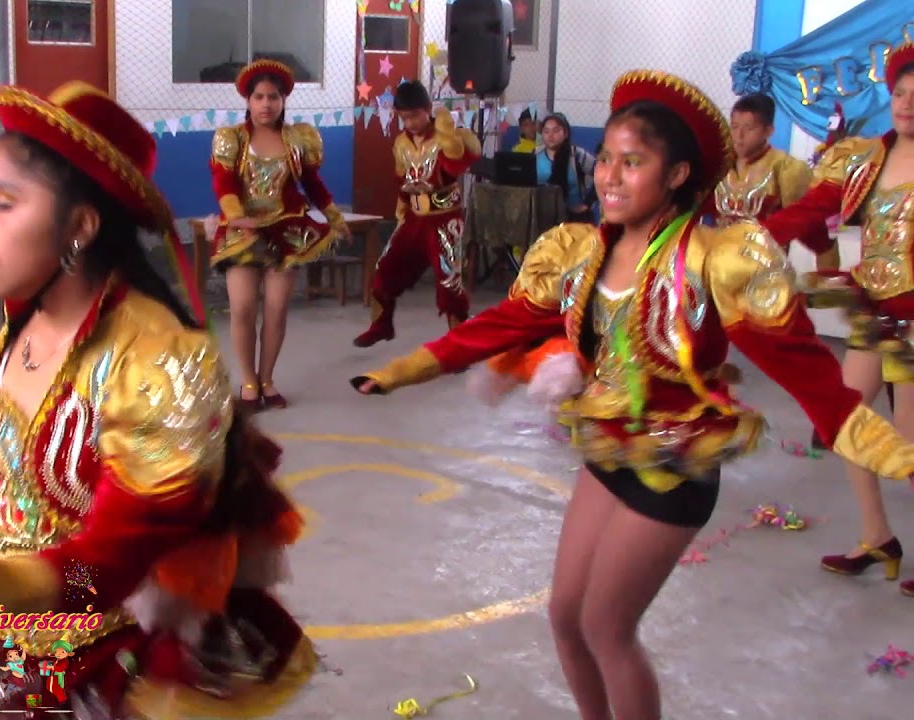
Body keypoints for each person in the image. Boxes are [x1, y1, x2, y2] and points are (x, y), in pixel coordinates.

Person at [351, 69, 914, 720]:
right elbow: (504, 323)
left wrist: (893, 452)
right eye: (606, 160)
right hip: (609, 446)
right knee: (565, 617)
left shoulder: (714, 261)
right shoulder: (582, 251)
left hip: (677, 463)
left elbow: (809, 374)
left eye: (633, 162)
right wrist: (406, 369)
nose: (610, 178)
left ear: (677, 175)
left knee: (605, 627)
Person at [0, 80, 311, 719]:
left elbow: (105, 566)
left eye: (3, 204)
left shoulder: (160, 360)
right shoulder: (20, 327)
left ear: (80, 226)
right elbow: (2, 495)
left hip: (108, 643)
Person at [760, 42, 914, 598]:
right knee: (844, 421)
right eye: (901, 93)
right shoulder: (867, 158)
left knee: (908, 444)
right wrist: (751, 240)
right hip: (876, 313)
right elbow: (811, 209)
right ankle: (878, 536)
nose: (907, 103)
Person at [209, 59, 349, 411]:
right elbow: (223, 183)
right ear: (248, 100)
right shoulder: (232, 139)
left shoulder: (298, 139)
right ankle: (248, 382)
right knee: (242, 308)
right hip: (243, 233)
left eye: (273, 97)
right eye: (259, 97)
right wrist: (237, 217)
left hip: (286, 230)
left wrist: (334, 216)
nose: (266, 104)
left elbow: (312, 184)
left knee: (276, 309)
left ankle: (267, 380)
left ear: (283, 100)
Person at [353, 80, 482, 348]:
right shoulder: (401, 143)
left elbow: (455, 167)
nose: (410, 122)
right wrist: (401, 208)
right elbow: (401, 179)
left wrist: (447, 140)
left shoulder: (447, 134)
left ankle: (459, 343)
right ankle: (381, 325)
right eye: (404, 117)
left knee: (449, 278)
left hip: (445, 218)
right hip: (414, 218)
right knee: (385, 267)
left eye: (414, 116)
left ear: (428, 109)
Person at [535, 113, 597, 222]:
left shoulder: (577, 155)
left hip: (575, 216)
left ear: (566, 133)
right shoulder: (535, 154)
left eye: (556, 131)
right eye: (546, 131)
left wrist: (587, 203)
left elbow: (602, 176)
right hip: (543, 215)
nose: (550, 135)